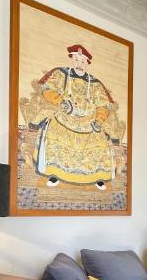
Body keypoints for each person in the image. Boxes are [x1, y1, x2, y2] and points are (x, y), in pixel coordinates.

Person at [32, 43, 118, 189]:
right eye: (77, 60)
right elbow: (48, 90)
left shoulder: (95, 83)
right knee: (53, 132)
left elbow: (103, 105)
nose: (79, 64)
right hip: (66, 116)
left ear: (87, 64)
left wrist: (98, 120)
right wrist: (62, 102)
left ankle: (98, 177)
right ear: (71, 59)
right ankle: (55, 173)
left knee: (101, 141)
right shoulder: (61, 73)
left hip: (89, 121)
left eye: (83, 62)